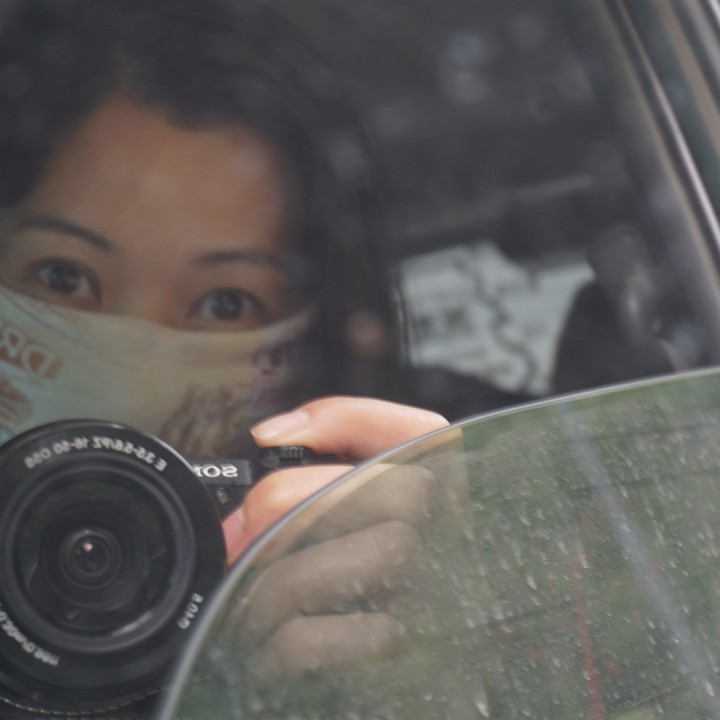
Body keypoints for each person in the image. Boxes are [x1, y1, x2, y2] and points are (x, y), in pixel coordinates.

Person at [0, 1, 450, 716]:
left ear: (308, 346)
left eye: (225, 303)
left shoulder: (320, 551)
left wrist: (439, 646)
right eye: (65, 277)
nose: (136, 377)